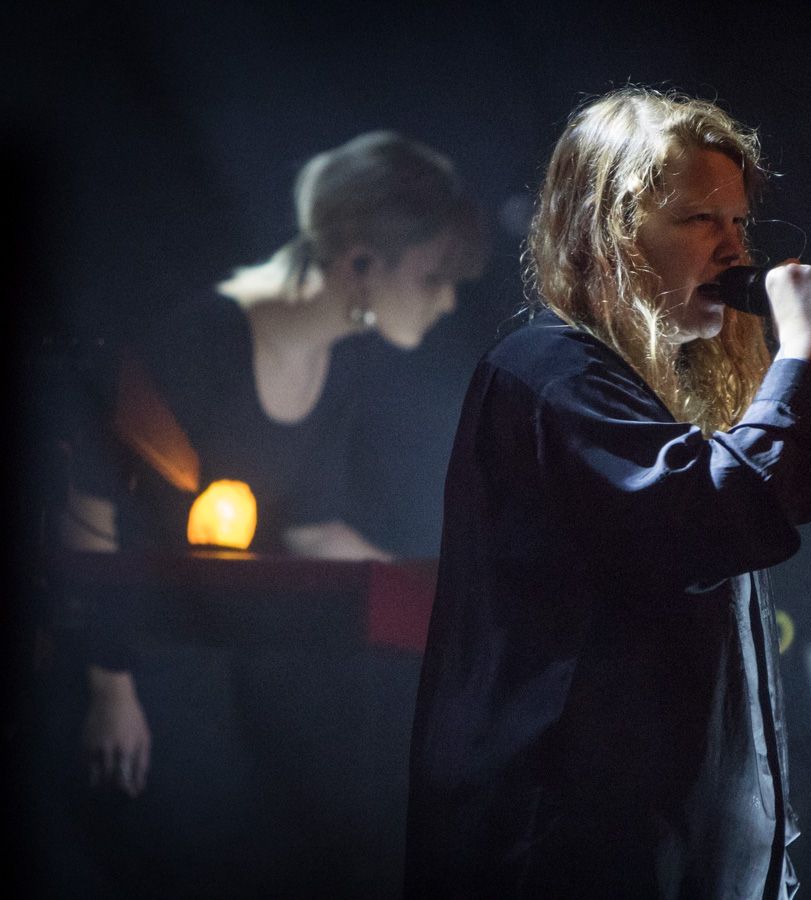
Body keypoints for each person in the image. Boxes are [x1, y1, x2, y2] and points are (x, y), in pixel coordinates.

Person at [405, 88, 811, 899]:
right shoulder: (548, 372)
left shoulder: (650, 401)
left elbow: (771, 495)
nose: (735, 249)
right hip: (563, 863)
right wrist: (803, 356)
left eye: (739, 222)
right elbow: (720, 511)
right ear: (607, 231)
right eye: (700, 220)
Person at [53, 130, 486, 896]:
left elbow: (313, 527)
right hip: (138, 665)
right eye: (432, 277)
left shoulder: (339, 362)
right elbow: (89, 507)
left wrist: (441, 605)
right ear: (360, 263)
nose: (447, 300)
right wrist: (110, 691)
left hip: (223, 669)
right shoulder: (200, 338)